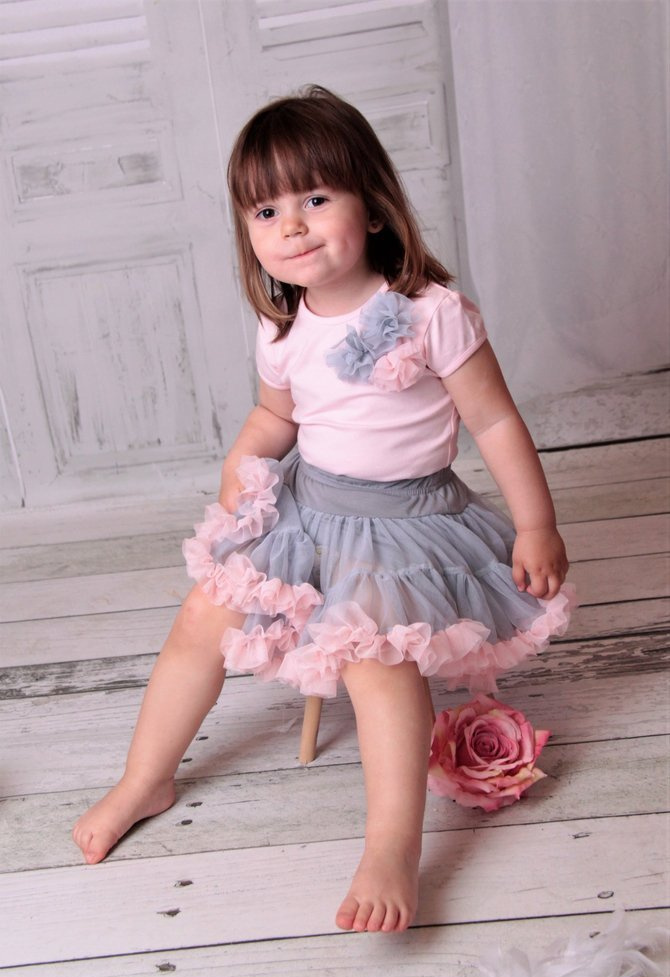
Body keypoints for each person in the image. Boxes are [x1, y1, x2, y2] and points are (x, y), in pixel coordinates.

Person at [73, 85, 572, 934]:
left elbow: (494, 421)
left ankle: (391, 846)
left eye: (314, 198)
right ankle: (144, 778)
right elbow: (276, 419)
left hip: (406, 525)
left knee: (381, 667)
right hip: (309, 509)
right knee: (200, 619)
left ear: (372, 207)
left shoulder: (431, 314)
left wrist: (536, 525)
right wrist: (240, 474)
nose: (293, 227)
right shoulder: (283, 327)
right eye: (266, 211)